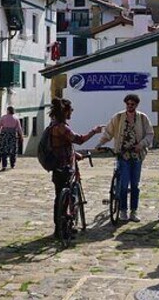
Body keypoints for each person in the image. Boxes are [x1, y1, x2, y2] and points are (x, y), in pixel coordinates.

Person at [49, 97, 103, 238]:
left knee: (58, 198)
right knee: (69, 197)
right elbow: (79, 139)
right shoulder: (62, 127)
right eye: (70, 110)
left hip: (57, 166)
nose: (72, 112)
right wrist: (94, 131)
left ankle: (59, 229)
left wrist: (75, 154)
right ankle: (65, 228)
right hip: (65, 167)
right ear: (65, 111)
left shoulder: (53, 125)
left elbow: (62, 144)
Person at [98, 93, 153, 222]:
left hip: (137, 155)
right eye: (128, 104)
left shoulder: (142, 118)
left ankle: (134, 211)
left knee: (135, 185)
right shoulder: (118, 117)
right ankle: (123, 210)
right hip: (123, 155)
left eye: (132, 104)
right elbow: (108, 132)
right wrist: (100, 144)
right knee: (123, 184)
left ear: (136, 105)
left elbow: (150, 134)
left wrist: (141, 144)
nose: (129, 106)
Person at [0, 106, 24, 170]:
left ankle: (4, 165)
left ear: (8, 110)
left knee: (4, 150)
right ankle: (12, 164)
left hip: (4, 135)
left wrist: (2, 130)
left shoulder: (4, 117)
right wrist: (21, 136)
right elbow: (19, 128)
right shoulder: (16, 118)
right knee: (13, 150)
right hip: (13, 135)